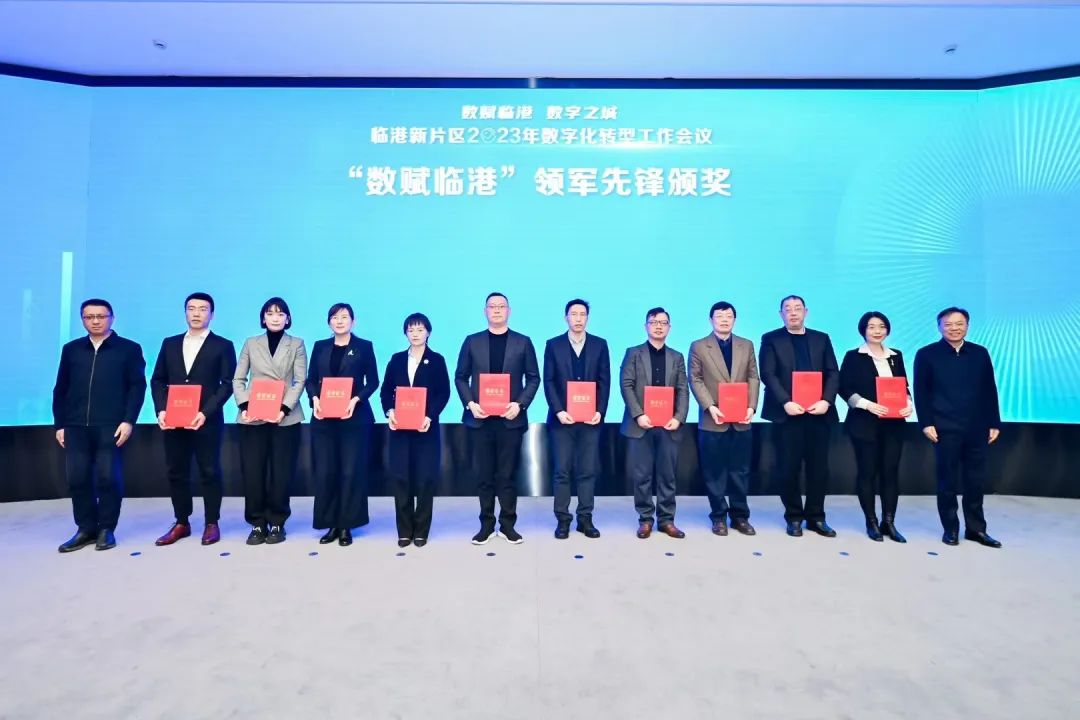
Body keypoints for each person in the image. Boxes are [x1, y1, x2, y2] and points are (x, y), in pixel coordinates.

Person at [53, 298, 146, 552]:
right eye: (89, 317)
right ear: (82, 320)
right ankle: (85, 528)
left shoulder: (128, 349)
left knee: (108, 478)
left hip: (111, 425)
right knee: (77, 479)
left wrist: (128, 420)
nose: (95, 321)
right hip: (75, 426)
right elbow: (61, 388)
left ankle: (106, 528)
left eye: (101, 316)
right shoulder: (71, 349)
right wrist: (60, 424)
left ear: (112, 318)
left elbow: (137, 387)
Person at [150, 292, 237, 547]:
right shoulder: (170, 343)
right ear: (185, 312)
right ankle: (181, 522)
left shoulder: (223, 345)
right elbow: (158, 380)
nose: (197, 313)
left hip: (206, 420)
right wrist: (161, 410)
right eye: (192, 308)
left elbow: (227, 384)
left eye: (202, 309)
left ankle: (212, 522)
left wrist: (205, 412)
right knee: (176, 471)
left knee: (209, 470)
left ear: (212, 314)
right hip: (174, 419)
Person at [454, 292, 541, 545]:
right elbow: (460, 377)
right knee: (484, 476)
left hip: (510, 420)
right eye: (492, 306)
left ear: (509, 311)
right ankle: (486, 524)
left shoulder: (523, 342)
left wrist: (520, 405)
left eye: (501, 306)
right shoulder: (472, 341)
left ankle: (508, 525)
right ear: (485, 311)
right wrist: (470, 404)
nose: (497, 310)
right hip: (480, 420)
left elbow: (533, 378)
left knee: (507, 476)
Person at [914, 307, 1002, 548]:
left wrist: (994, 421)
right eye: (948, 324)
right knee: (947, 481)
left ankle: (976, 529)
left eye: (959, 323)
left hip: (977, 426)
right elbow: (921, 391)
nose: (954, 328)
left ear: (967, 325)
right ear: (939, 327)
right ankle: (950, 529)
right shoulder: (927, 354)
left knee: (975, 481)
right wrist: (926, 423)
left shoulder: (980, 353)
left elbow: (989, 389)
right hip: (944, 428)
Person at [759, 295, 840, 538]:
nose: (793, 313)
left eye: (797, 308)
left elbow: (833, 372)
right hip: (788, 414)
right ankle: (794, 517)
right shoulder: (771, 339)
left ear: (806, 311)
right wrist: (786, 401)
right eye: (788, 309)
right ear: (781, 314)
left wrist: (826, 400)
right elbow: (768, 374)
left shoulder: (821, 338)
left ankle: (816, 517)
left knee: (819, 469)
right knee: (788, 468)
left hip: (819, 413)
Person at [233, 297, 307, 546]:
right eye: (270, 313)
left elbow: (300, 380)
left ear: (288, 318)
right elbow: (238, 379)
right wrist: (245, 406)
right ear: (263, 318)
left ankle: (277, 522)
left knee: (281, 473)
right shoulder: (250, 343)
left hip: (285, 418)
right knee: (253, 472)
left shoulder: (296, 344)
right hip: (252, 417)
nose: (275, 318)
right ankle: (256, 523)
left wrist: (284, 409)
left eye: (280, 313)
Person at [306, 303, 379, 547]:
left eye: (344, 317)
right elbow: (311, 380)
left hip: (354, 418)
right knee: (327, 471)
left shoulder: (364, 346)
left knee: (350, 471)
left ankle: (347, 524)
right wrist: (314, 399)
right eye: (335, 317)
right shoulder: (320, 346)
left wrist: (355, 400)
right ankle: (331, 524)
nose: (339, 321)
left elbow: (373, 381)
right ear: (329, 322)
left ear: (353, 321)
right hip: (324, 418)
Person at [838, 311, 912, 543]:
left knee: (890, 472)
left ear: (887, 330)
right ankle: (871, 521)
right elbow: (843, 388)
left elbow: (903, 386)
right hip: (864, 423)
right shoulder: (853, 356)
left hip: (894, 424)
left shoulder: (896, 356)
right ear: (863, 330)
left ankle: (888, 522)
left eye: (881, 326)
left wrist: (908, 403)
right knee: (867, 472)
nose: (877, 331)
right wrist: (868, 405)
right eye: (871, 327)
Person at [688, 301, 759, 537]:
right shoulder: (699, 346)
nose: (724, 320)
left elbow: (753, 377)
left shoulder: (746, 345)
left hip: (741, 419)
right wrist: (710, 407)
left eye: (729, 316)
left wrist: (751, 406)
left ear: (734, 320)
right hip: (713, 419)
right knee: (714, 472)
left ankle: (740, 517)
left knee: (741, 471)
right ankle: (718, 516)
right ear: (711, 320)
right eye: (719, 316)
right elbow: (695, 379)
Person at [380, 312, 451, 548]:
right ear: (405, 333)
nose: (415, 334)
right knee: (401, 478)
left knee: (425, 479)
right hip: (399, 429)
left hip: (425, 429)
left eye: (420, 329)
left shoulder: (437, 360)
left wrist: (430, 416)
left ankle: (421, 530)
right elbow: (386, 391)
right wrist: (390, 411)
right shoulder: (397, 359)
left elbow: (443, 392)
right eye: (411, 330)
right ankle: (404, 530)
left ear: (428, 332)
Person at [542, 299, 610, 539]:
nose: (578, 318)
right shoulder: (553, 345)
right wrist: (559, 410)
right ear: (566, 318)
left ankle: (585, 519)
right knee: (562, 471)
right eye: (574, 314)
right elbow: (549, 381)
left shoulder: (600, 345)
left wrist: (600, 411)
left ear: (587, 318)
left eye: (583, 314)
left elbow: (604, 381)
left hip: (590, 421)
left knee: (587, 471)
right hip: (562, 421)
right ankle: (563, 520)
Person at [620, 307, 689, 539]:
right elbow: (626, 384)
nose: (658, 326)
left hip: (669, 425)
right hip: (641, 425)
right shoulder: (633, 353)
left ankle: (667, 520)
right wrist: (638, 414)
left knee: (667, 476)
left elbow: (683, 389)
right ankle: (645, 520)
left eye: (663, 322)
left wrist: (678, 417)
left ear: (669, 327)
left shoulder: (677, 357)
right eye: (653, 322)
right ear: (646, 326)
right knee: (642, 476)